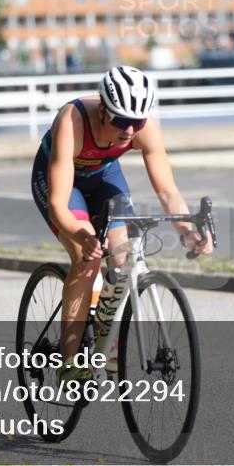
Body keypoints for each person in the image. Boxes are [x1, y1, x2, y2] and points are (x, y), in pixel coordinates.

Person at [30, 66, 212, 381]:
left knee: (122, 256)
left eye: (137, 122)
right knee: (87, 258)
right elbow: (60, 205)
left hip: (104, 178)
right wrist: (79, 234)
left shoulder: (145, 128)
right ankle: (70, 364)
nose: (130, 130)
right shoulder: (71, 122)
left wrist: (188, 232)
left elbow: (168, 191)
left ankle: (105, 337)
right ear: (103, 110)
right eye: (122, 121)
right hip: (61, 181)